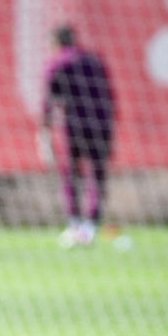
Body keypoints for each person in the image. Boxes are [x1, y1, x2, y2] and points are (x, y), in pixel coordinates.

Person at [40, 24, 115, 248]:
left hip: (74, 126)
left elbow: (48, 101)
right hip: (102, 124)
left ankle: (74, 224)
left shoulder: (57, 63)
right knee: (96, 174)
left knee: (71, 174)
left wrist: (45, 132)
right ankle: (91, 226)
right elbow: (109, 95)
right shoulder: (94, 60)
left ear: (56, 42)